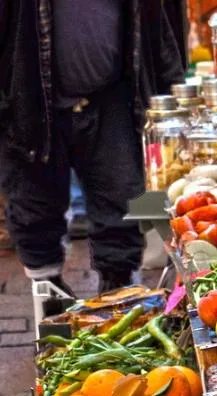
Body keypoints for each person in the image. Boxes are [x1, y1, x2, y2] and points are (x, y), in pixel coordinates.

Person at [0, 0, 185, 295]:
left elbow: (156, 30)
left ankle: (118, 298)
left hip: (110, 98)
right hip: (30, 105)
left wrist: (173, 91)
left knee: (123, 202)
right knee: (33, 213)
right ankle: (49, 305)